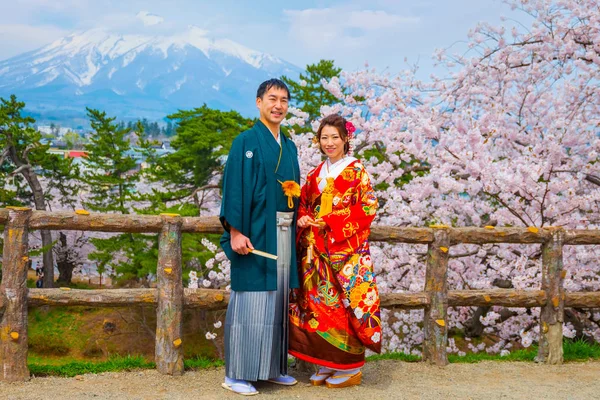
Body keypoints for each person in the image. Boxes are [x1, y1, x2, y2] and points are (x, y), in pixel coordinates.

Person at [219, 78, 301, 395]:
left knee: (277, 302)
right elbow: (235, 188)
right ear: (258, 102)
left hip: (283, 230)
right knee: (252, 301)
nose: (278, 105)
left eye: (283, 100)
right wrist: (236, 231)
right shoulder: (246, 142)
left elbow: (294, 190)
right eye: (272, 98)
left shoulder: (289, 145)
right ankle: (237, 373)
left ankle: (271, 368)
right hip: (255, 230)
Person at [289, 114, 382, 388]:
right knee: (318, 306)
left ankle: (349, 366)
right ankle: (325, 362)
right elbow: (304, 203)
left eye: (335, 138)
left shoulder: (357, 171)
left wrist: (331, 222)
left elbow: (368, 207)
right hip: (314, 252)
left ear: (346, 140)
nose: (329, 143)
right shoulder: (315, 173)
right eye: (324, 137)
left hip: (344, 251)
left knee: (343, 306)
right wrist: (304, 218)